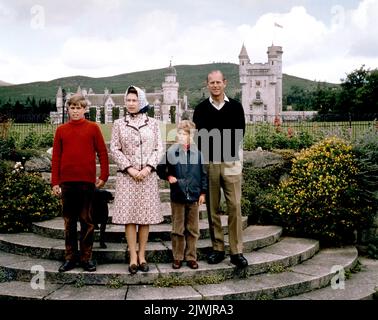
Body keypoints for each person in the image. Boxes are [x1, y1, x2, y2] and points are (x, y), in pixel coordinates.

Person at [193, 70, 248, 268]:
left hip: (231, 161)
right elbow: (199, 137)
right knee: (213, 207)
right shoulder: (200, 109)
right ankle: (218, 248)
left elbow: (239, 132)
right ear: (207, 85)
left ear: (224, 83)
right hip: (210, 163)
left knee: (234, 206)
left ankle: (236, 251)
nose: (215, 85)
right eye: (211, 82)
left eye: (218, 82)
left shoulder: (235, 107)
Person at [51, 93, 109, 272]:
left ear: (85, 109)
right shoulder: (61, 130)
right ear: (68, 109)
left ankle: (86, 258)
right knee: (69, 222)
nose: (75, 111)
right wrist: (55, 183)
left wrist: (104, 176)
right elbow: (56, 157)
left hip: (86, 182)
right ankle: (70, 258)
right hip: (67, 182)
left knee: (87, 221)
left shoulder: (93, 128)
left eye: (79, 108)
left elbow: (102, 153)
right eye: (72, 108)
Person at [110, 85, 163, 275]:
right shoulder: (118, 124)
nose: (131, 104)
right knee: (130, 218)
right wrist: (131, 169)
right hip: (127, 177)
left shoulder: (154, 124)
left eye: (134, 100)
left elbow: (158, 148)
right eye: (128, 100)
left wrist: (148, 168)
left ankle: (142, 255)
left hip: (147, 177)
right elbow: (115, 149)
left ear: (141, 101)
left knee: (145, 217)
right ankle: (132, 256)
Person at [157, 120, 207, 270]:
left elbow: (203, 174)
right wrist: (168, 177)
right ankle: (177, 257)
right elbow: (160, 169)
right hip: (178, 195)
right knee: (177, 229)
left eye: (185, 134)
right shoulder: (171, 152)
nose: (181, 136)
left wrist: (203, 192)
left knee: (193, 229)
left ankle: (191, 256)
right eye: (179, 133)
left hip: (193, 196)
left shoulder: (198, 154)